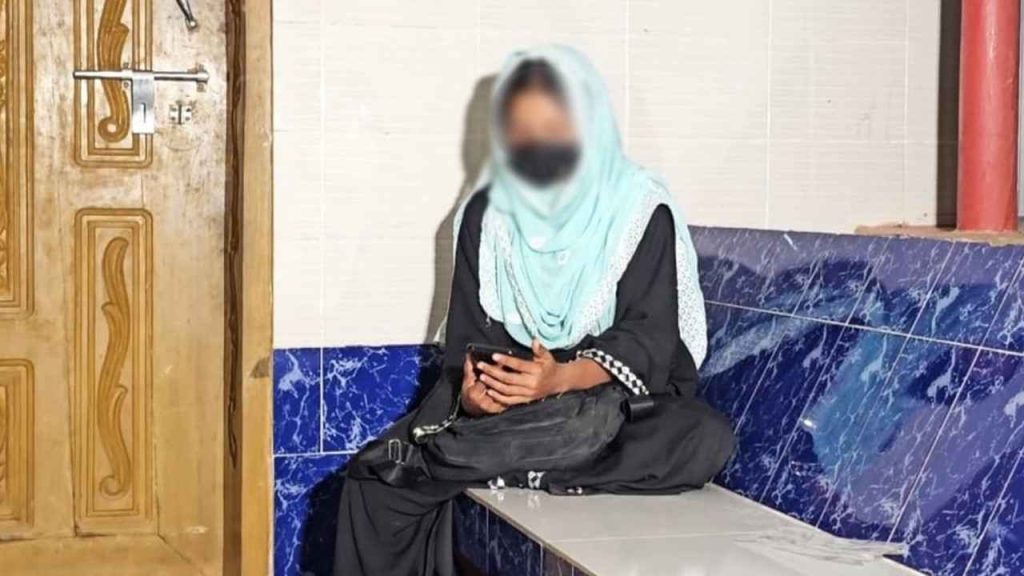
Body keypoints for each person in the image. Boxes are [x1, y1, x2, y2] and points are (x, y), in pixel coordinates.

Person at [333, 45, 735, 576]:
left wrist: (561, 378)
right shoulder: (487, 214)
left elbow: (651, 341)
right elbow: (469, 347)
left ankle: (516, 462)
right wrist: (478, 398)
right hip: (516, 415)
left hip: (609, 403)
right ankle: (534, 460)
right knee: (372, 484)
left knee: (701, 436)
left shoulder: (637, 210)